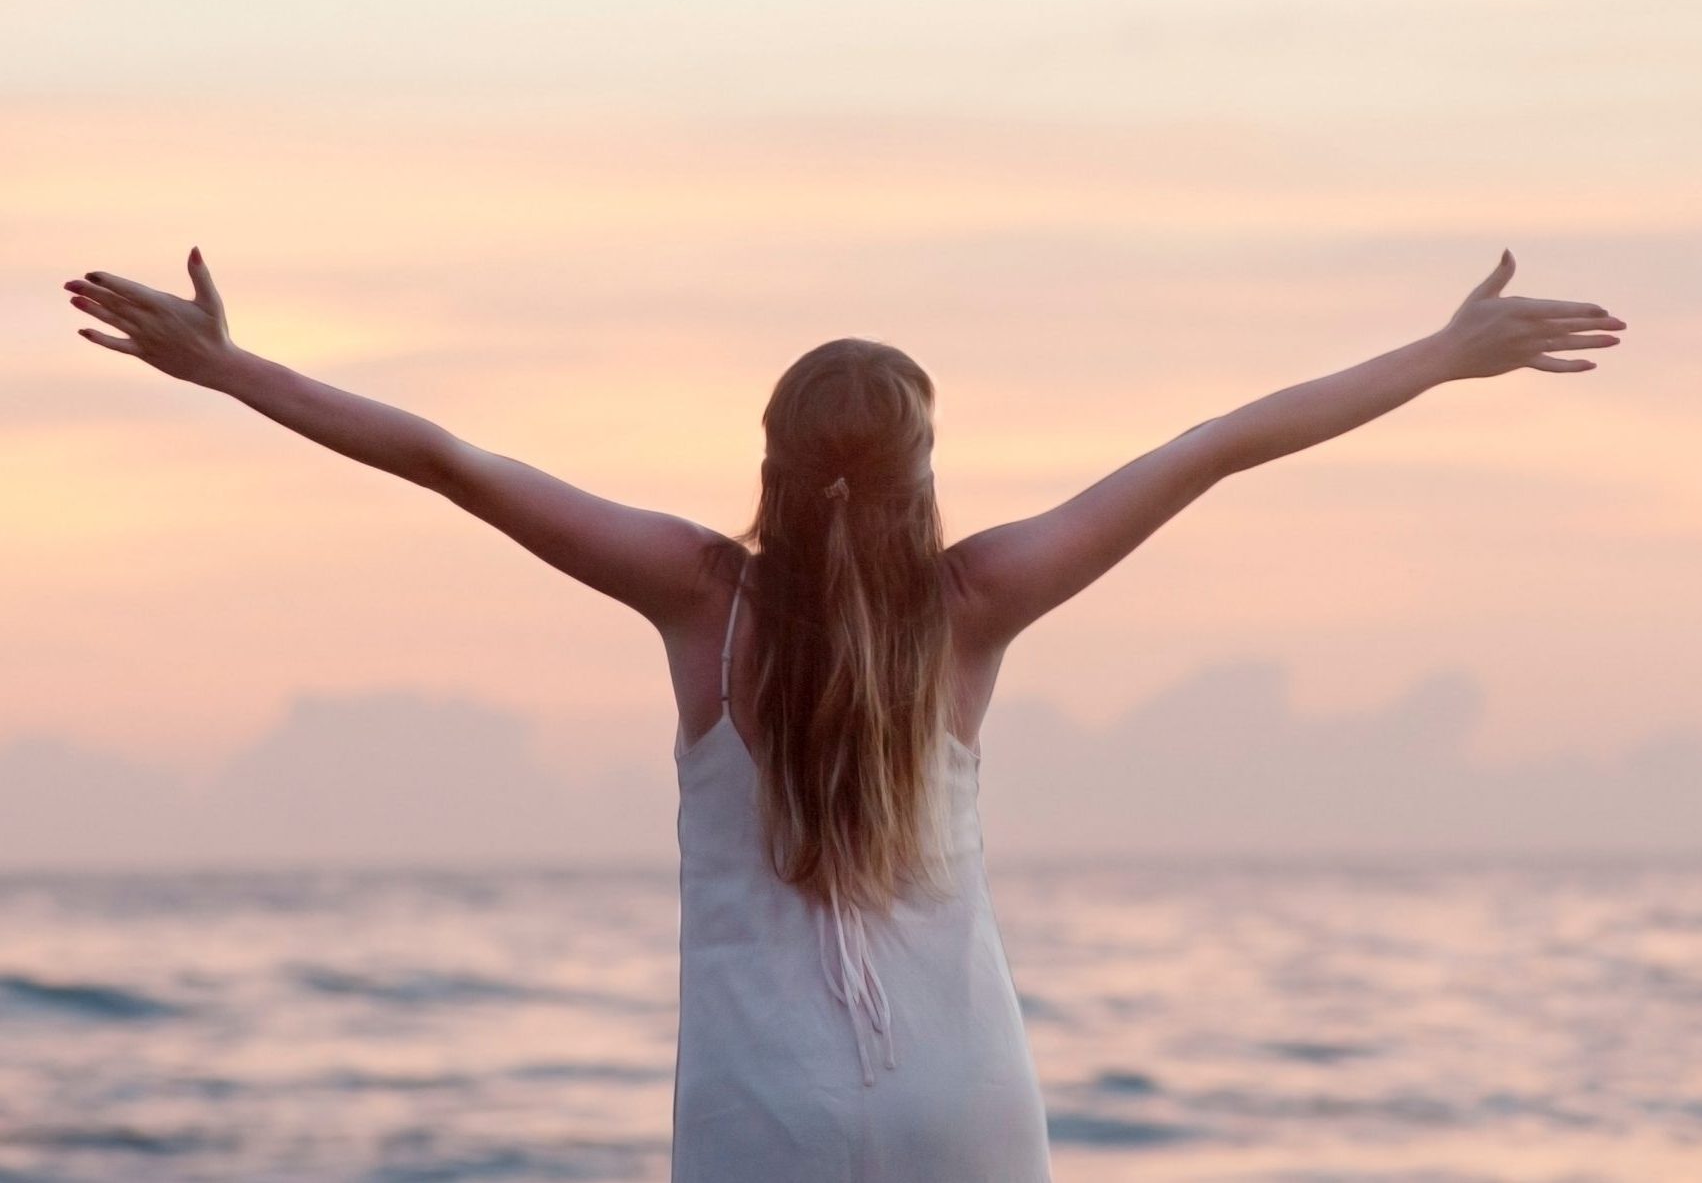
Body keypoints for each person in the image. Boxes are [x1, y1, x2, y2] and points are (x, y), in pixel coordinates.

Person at [62, 246, 1625, 1180]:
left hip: (761, 1103)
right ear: (921, 463)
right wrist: (1438, 355)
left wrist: (228, 368)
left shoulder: (696, 596)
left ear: (770, 448)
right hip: (961, 1088)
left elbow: (451, 459)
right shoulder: (981, 596)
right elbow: (1215, 442)